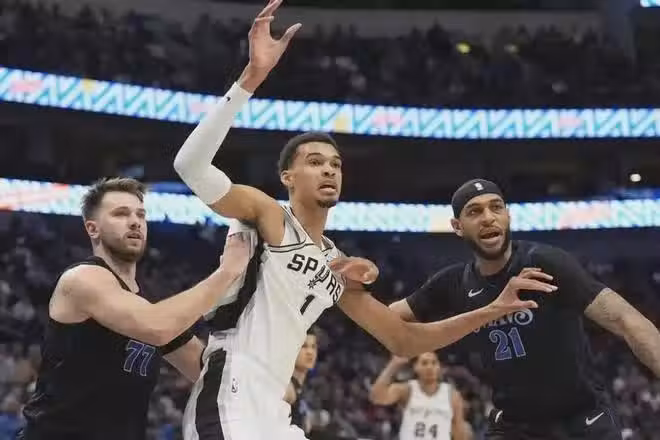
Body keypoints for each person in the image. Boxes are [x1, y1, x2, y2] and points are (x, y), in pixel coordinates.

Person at [173, 1, 557, 439]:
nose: (329, 170)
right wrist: (251, 78)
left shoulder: (334, 263)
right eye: (315, 162)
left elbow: (402, 340)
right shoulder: (269, 215)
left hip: (276, 411)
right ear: (287, 177)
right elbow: (190, 166)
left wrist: (493, 310)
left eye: (335, 164)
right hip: (232, 394)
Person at [389, 178, 660, 440]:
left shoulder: (545, 262)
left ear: (508, 216)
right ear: (457, 227)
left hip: (581, 421)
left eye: (496, 207)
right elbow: (388, 317)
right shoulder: (453, 283)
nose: (488, 218)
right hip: (514, 425)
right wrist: (360, 284)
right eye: (474, 211)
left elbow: (624, 318)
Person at [18, 177, 251, 440]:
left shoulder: (143, 305)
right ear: (92, 229)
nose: (134, 221)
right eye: (120, 214)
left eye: (140, 215)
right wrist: (226, 272)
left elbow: (206, 369)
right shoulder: (82, 279)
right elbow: (158, 327)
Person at [369, 353, 471, 440]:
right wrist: (393, 365)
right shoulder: (407, 390)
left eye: (434, 363)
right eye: (424, 363)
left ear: (439, 367)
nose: (429, 367)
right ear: (416, 367)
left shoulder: (452, 395)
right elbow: (376, 397)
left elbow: (459, 432)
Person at [284, 328, 318, 435]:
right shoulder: (287, 388)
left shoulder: (301, 388)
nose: (310, 352)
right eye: (304, 346)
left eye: (313, 347)